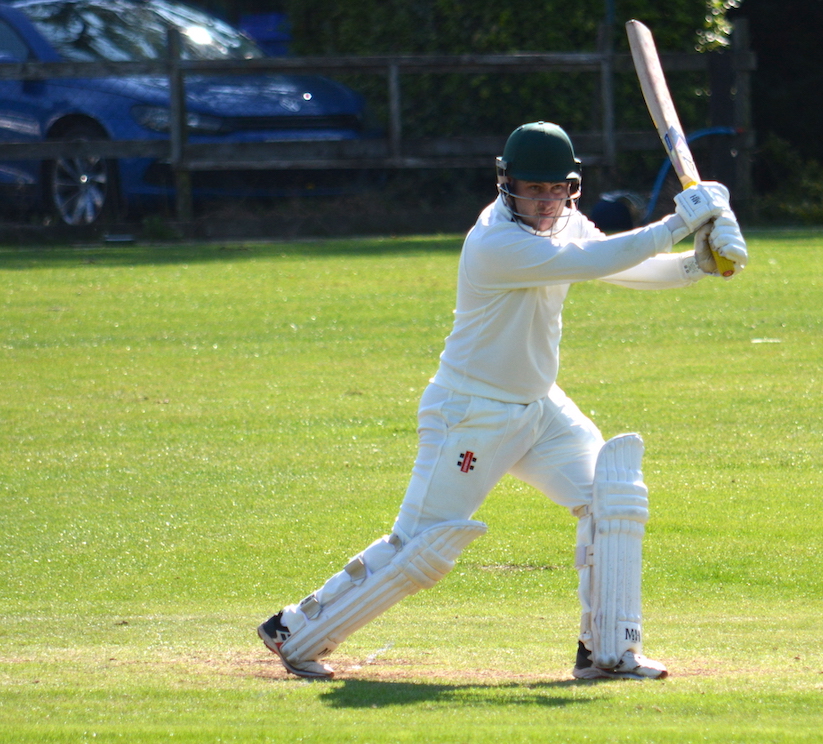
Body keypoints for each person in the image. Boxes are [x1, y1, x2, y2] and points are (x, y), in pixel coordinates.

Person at [257, 121, 748, 681]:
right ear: (506, 184)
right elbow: (592, 263)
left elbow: (621, 264)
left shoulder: (563, 225)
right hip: (472, 412)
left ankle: (609, 652)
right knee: (422, 548)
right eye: (531, 190)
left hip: (540, 408)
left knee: (610, 503)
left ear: (570, 187)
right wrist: (682, 222)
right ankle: (295, 630)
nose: (544, 203)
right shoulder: (496, 242)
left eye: (553, 190)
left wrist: (695, 264)